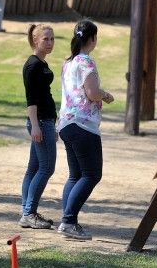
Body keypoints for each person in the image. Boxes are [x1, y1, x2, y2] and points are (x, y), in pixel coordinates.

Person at [56, 20, 115, 240]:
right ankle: (69, 222)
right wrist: (105, 95)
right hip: (83, 125)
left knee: (76, 175)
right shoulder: (86, 62)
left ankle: (68, 220)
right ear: (93, 39)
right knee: (91, 174)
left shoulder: (68, 62)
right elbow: (92, 93)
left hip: (67, 123)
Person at [20, 23, 58, 230]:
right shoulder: (33, 65)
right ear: (36, 40)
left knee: (34, 168)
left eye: (52, 39)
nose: (50, 43)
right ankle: (29, 213)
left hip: (46, 121)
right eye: (46, 39)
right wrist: (36, 126)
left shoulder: (41, 63)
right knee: (46, 167)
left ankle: (27, 210)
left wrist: (52, 123)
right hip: (40, 122)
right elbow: (31, 99)